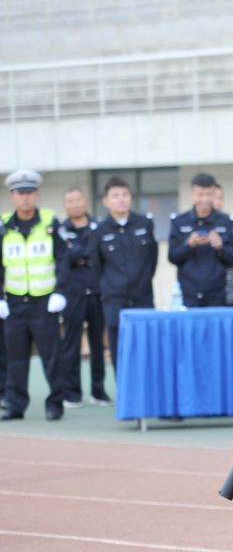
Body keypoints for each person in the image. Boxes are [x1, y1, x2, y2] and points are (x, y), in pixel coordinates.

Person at [1, 169, 68, 421]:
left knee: (51, 356)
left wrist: (60, 292)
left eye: (29, 192)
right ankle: (16, 405)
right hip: (15, 302)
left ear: (36, 194)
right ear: (12, 196)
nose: (25, 198)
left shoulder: (50, 222)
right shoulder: (3, 226)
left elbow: (63, 260)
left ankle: (55, 404)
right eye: (20, 193)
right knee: (15, 358)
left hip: (44, 302)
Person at [90, 177, 158, 371]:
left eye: (124, 195)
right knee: (118, 348)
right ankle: (124, 394)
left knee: (146, 348)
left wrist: (142, 282)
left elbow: (151, 260)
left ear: (130, 198)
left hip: (142, 298)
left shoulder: (145, 224)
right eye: (115, 196)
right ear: (106, 201)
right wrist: (111, 287)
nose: (121, 199)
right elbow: (97, 266)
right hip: (114, 300)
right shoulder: (99, 231)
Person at [56, 187, 110, 408]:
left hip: (97, 292)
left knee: (98, 344)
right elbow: (63, 257)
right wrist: (78, 254)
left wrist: (77, 253)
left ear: (85, 201)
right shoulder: (59, 230)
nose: (75, 204)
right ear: (65, 205)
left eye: (79, 200)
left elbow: (97, 255)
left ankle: (98, 391)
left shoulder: (98, 226)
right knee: (71, 344)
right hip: (72, 294)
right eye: (70, 201)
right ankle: (72, 393)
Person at [169, 173, 233, 307]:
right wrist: (189, 244)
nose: (205, 199)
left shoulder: (225, 222)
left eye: (209, 194)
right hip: (188, 296)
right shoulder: (179, 222)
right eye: (200, 195)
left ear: (214, 194)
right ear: (192, 194)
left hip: (218, 295)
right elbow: (172, 257)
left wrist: (220, 247)